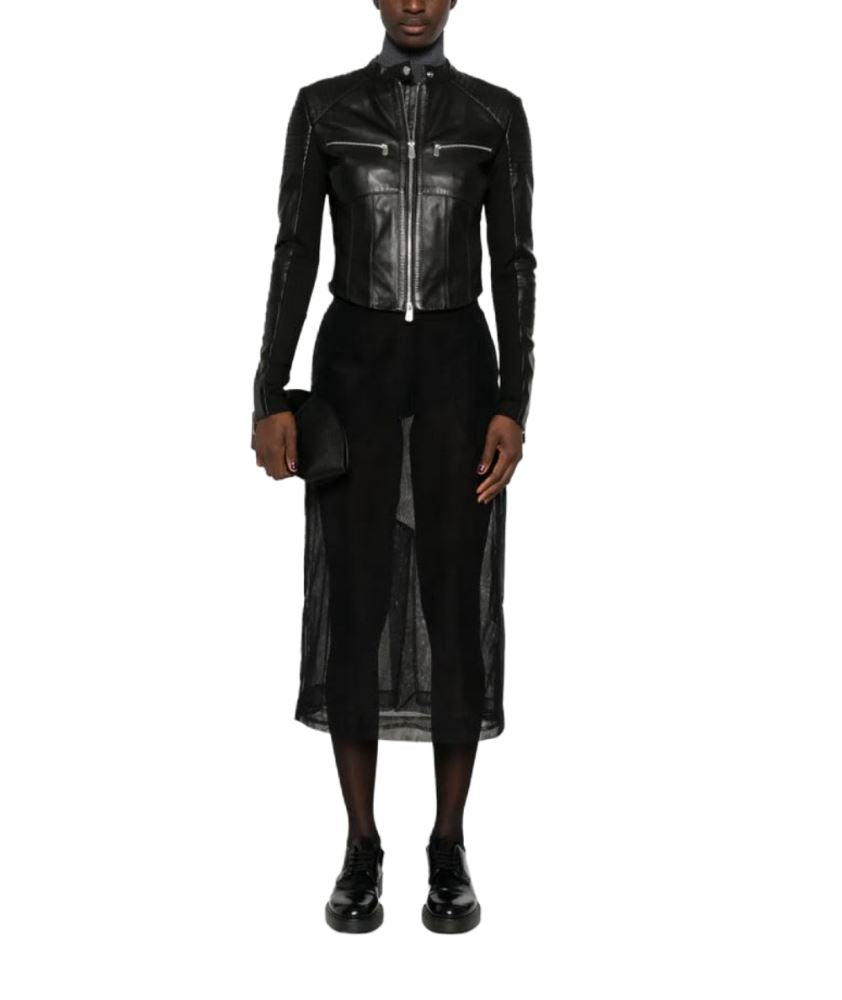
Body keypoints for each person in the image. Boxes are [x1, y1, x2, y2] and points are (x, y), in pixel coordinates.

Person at [251, 0, 536, 934]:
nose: (414, 2)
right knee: (356, 605)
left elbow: (516, 263)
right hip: (354, 370)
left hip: (458, 371)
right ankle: (360, 844)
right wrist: (268, 392)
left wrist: (514, 403)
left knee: (455, 606)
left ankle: (448, 845)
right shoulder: (324, 107)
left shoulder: (493, 114)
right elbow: (295, 250)